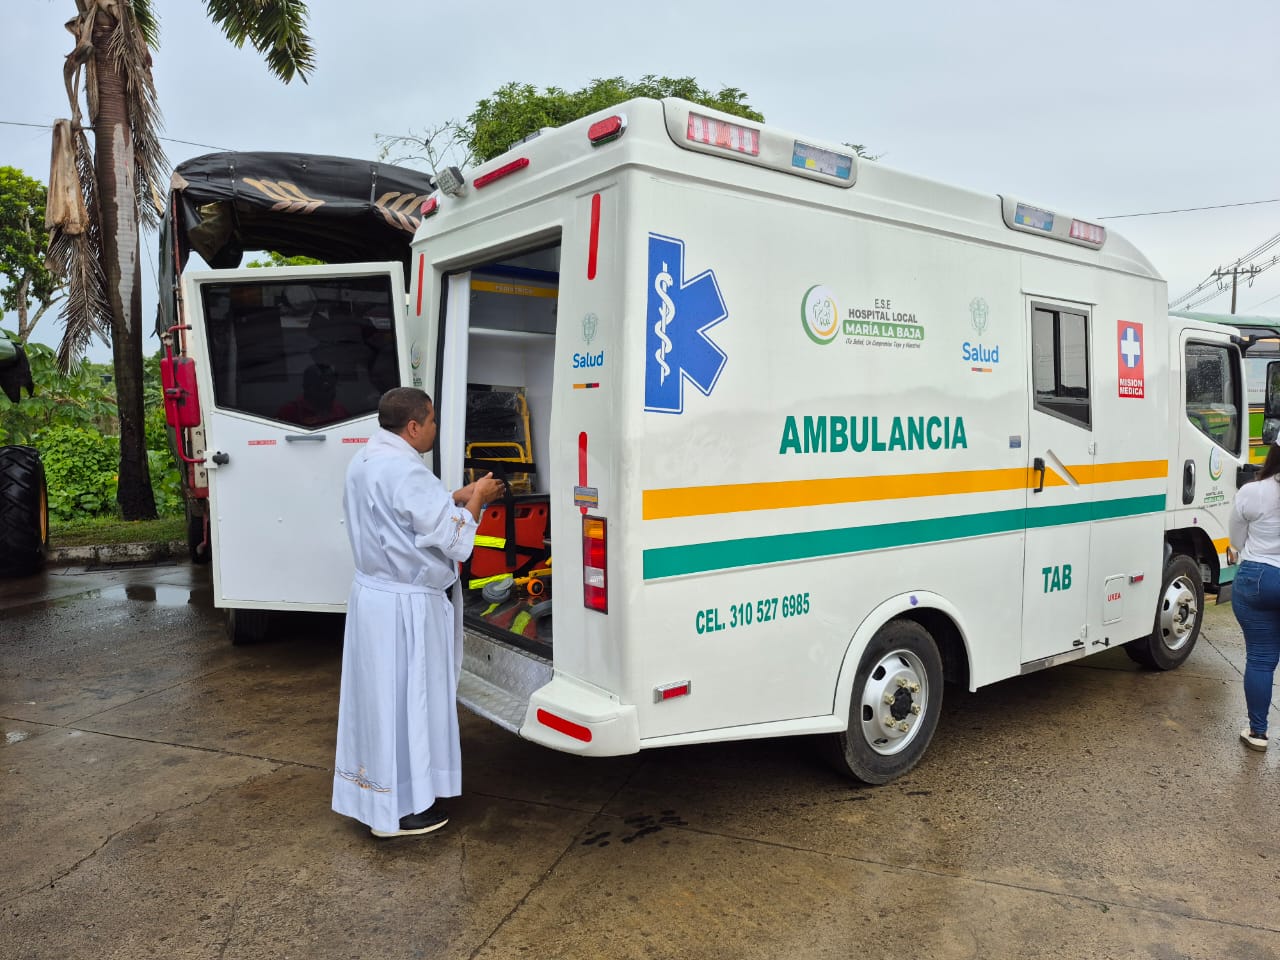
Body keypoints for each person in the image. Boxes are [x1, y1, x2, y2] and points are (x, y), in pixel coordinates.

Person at [333, 387, 505, 837]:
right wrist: (479, 498)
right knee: (409, 701)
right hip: (405, 605)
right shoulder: (408, 471)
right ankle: (402, 811)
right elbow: (454, 541)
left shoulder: (367, 460)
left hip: (374, 599)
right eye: (431, 422)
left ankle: (376, 798)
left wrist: (455, 495)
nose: (433, 429)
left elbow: (407, 514)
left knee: (380, 702)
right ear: (413, 426)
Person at [1228, 441, 1280, 752]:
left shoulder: (1254, 491)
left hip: (1258, 577)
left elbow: (1236, 538)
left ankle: (1258, 733)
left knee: (1261, 659)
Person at [276, 363, 349, 428]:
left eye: (333, 386)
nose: (332, 391)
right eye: (324, 386)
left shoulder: (340, 410)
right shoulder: (289, 411)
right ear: (306, 387)